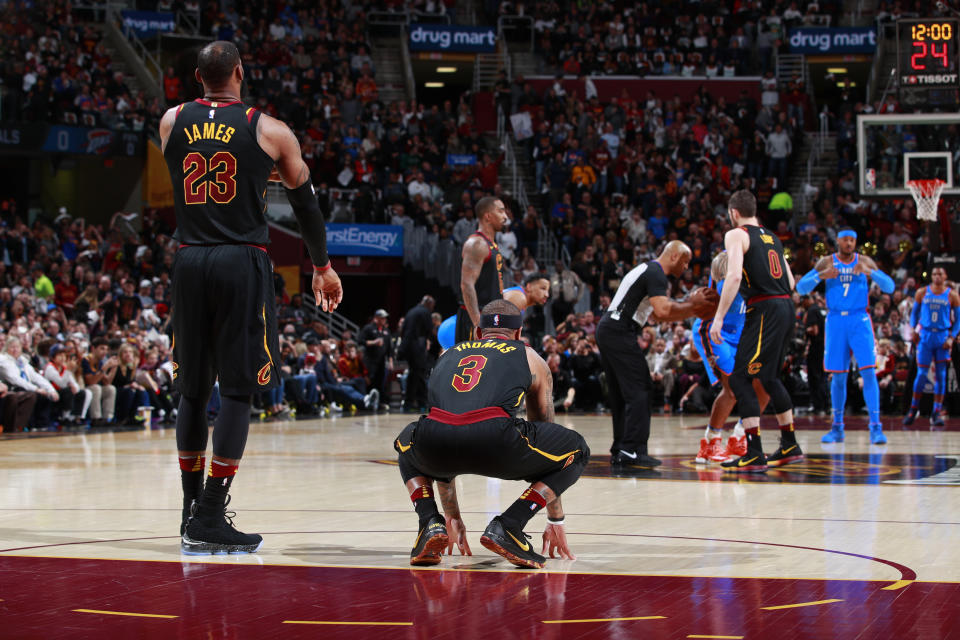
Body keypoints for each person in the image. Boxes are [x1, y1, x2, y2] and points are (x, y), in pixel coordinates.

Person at [159, 41, 342, 554]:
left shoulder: (171, 121)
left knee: (192, 391)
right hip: (241, 259)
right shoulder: (269, 129)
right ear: (241, 72)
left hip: (190, 259)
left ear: (198, 77)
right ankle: (211, 514)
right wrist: (322, 266)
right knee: (238, 389)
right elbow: (304, 202)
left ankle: (190, 509)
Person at [394, 300, 589, 569]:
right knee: (576, 450)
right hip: (496, 441)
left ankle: (430, 522)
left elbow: (446, 422)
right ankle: (510, 524)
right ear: (519, 334)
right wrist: (555, 519)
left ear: (477, 332)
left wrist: (452, 515)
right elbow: (544, 426)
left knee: (408, 444)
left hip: (437, 443)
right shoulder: (531, 357)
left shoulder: (446, 354)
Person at [596, 240, 715, 468]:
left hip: (610, 328)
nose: (687, 267)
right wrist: (694, 306)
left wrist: (689, 305)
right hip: (619, 329)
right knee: (641, 387)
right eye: (685, 261)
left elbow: (661, 315)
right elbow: (662, 311)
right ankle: (632, 450)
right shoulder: (656, 273)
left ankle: (621, 448)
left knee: (622, 393)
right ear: (673, 257)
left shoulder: (648, 270)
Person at [711, 190, 798, 473]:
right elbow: (792, 281)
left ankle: (754, 451)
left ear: (734, 212)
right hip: (786, 305)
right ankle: (789, 444)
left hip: (765, 308)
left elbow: (734, 275)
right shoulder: (771, 236)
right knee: (769, 377)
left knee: (738, 378)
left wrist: (719, 317)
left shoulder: (736, 234)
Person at [796, 228, 895, 443]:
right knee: (838, 376)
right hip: (835, 321)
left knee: (869, 373)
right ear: (838, 241)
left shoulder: (865, 261)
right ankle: (837, 428)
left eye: (852, 240)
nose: (849, 244)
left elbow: (890, 286)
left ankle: (876, 428)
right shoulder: (826, 262)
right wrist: (821, 276)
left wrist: (871, 273)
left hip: (860, 320)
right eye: (845, 240)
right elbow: (801, 288)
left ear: (855, 241)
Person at [691, 252, 770, 463]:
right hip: (716, 332)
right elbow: (702, 304)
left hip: (743, 334)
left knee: (764, 389)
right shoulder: (727, 259)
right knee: (733, 389)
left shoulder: (764, 266)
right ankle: (710, 443)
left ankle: (739, 437)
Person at [903, 266, 960, 427]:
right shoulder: (922, 292)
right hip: (926, 336)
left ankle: (936, 412)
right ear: (931, 276)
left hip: (942, 336)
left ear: (945, 276)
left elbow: (959, 320)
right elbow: (914, 313)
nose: (937, 276)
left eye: (940, 274)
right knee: (921, 374)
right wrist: (913, 329)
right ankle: (913, 409)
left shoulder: (952, 295)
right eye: (934, 274)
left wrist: (951, 337)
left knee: (941, 376)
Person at [456, 197, 508, 343]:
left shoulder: (492, 245)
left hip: (490, 318)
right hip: (477, 318)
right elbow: (466, 285)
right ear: (488, 216)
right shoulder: (477, 243)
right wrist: (478, 323)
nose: (505, 217)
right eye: (501, 211)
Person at [400, 296, 435, 412]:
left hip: (407, 347)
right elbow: (429, 329)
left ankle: (412, 403)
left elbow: (403, 330)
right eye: (432, 306)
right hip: (417, 347)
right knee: (419, 374)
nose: (432, 309)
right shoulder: (425, 312)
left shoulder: (411, 311)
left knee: (414, 374)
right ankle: (420, 403)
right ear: (428, 304)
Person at [357, 309, 391, 408]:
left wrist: (390, 360)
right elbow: (360, 341)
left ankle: (380, 402)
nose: (384, 320)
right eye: (382, 318)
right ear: (376, 318)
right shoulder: (368, 328)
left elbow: (389, 348)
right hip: (370, 360)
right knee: (370, 382)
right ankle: (367, 403)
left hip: (381, 361)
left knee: (380, 382)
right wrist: (373, 342)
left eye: (385, 318)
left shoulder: (386, 331)